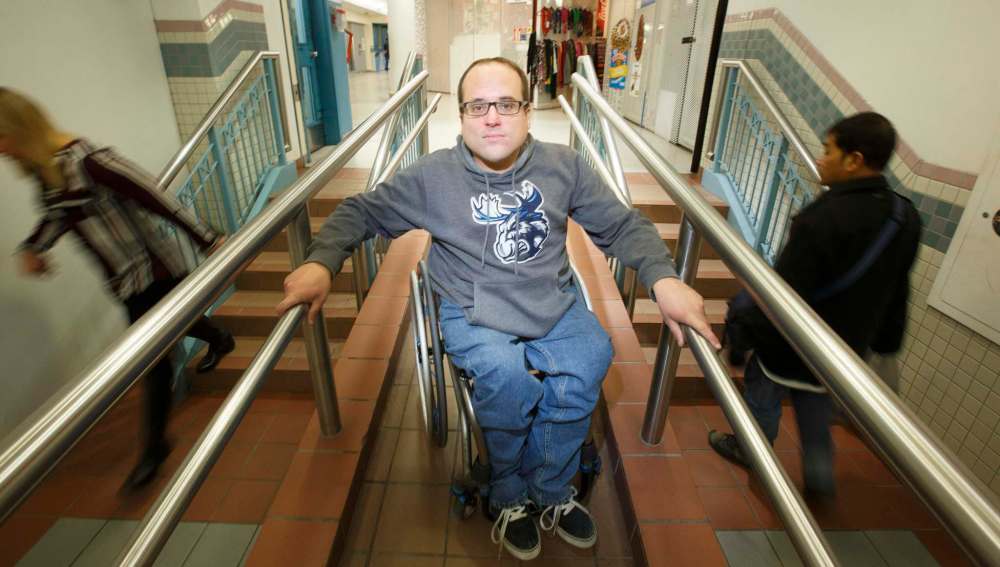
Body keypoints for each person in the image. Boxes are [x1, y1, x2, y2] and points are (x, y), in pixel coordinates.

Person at [277, 57, 719, 560]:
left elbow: (621, 226)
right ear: (461, 116)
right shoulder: (433, 177)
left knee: (592, 355)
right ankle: (507, 490)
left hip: (548, 298)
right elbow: (362, 211)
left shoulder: (563, 166)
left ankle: (551, 486)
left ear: (528, 114)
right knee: (505, 375)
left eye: (506, 105)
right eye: (478, 106)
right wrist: (322, 263)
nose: (492, 117)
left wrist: (664, 278)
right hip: (472, 306)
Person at [0, 88, 236, 490]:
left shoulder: (90, 161)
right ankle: (219, 338)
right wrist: (33, 247)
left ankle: (154, 447)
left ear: (20, 131)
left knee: (152, 359)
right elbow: (58, 217)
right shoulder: (47, 174)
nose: (3, 150)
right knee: (173, 328)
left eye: (3, 138)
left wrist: (207, 238)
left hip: (157, 270)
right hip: (124, 280)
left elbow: (153, 195)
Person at [709, 112, 921, 498]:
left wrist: (741, 340)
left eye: (828, 150)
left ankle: (752, 451)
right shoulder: (903, 216)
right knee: (815, 410)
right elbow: (898, 286)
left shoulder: (821, 219)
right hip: (843, 349)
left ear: (854, 159)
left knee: (762, 396)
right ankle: (820, 480)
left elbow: (780, 295)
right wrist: (887, 343)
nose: (820, 158)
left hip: (789, 345)